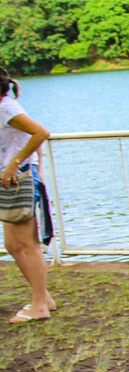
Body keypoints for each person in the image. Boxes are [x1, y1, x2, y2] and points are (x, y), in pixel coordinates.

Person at [1, 66, 54, 324]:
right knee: (13, 245)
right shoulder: (6, 107)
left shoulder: (6, 108)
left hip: (18, 177)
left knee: (26, 243)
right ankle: (43, 297)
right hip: (10, 179)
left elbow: (40, 133)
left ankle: (38, 306)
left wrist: (17, 163)